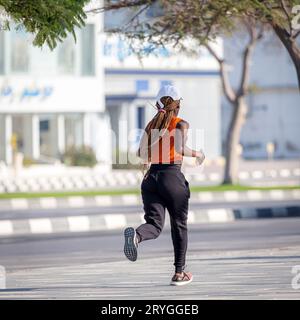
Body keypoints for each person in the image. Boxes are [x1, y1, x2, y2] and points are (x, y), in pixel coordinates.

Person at [123, 85, 205, 286]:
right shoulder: (180, 123)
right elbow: (179, 148)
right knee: (179, 225)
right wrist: (198, 154)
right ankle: (179, 273)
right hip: (172, 178)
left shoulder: (151, 125)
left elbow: (141, 154)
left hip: (150, 180)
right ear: (177, 105)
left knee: (154, 225)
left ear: (159, 104)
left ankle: (137, 236)